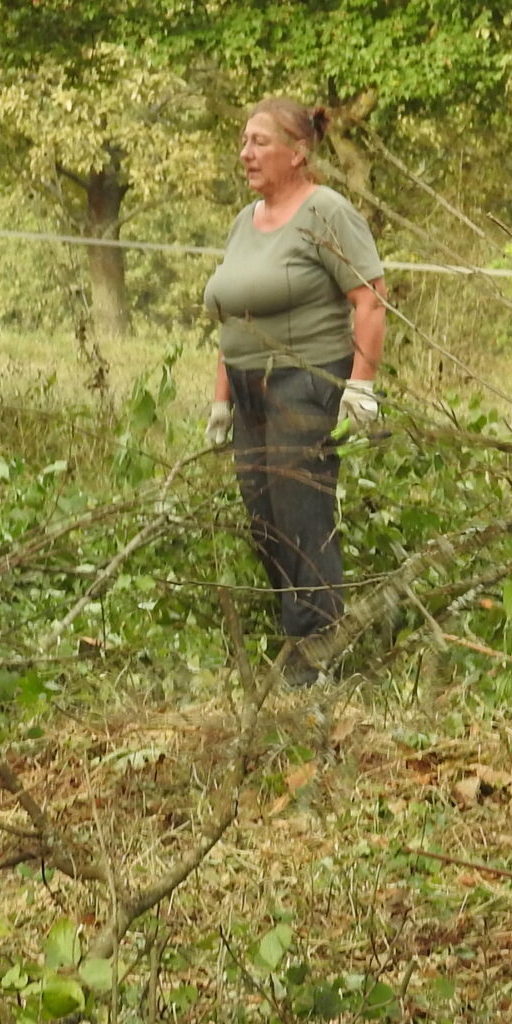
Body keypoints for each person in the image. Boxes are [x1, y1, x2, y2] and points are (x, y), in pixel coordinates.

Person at [200, 99, 387, 684]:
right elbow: (234, 314)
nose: (246, 153)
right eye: (245, 141)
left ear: (297, 152)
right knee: (263, 522)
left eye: (259, 142)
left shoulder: (326, 212)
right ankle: (304, 638)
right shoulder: (244, 220)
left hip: (304, 382)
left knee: (301, 519)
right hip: (250, 389)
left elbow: (370, 298)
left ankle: (314, 662)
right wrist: (221, 399)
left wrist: (361, 385)